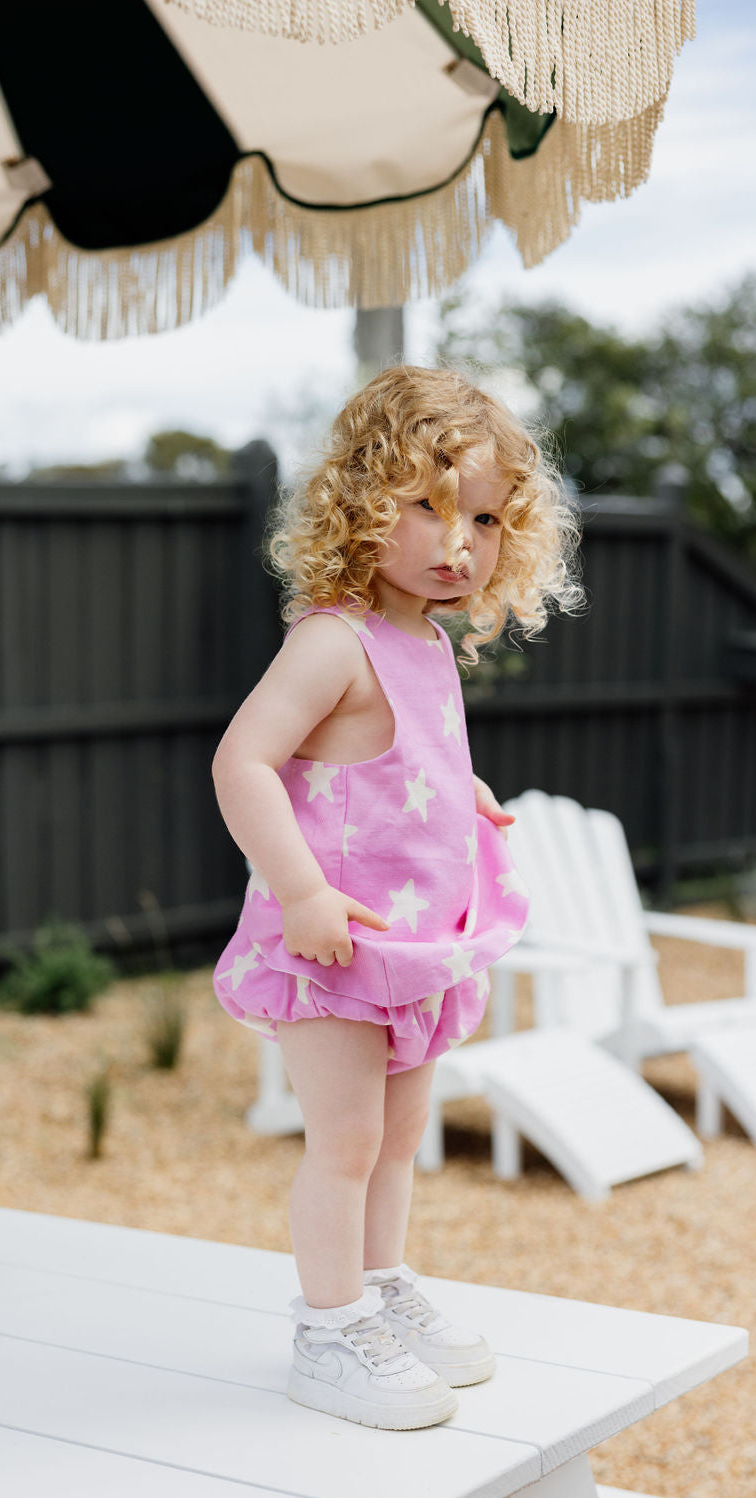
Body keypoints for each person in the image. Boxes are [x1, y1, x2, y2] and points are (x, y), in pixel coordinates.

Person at [211, 364, 582, 1431]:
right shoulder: (332, 639)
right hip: (332, 948)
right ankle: (326, 1332)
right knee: (342, 1141)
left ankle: (377, 1287)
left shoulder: (425, 641)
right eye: (423, 504)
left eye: (478, 516)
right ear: (360, 503)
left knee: (399, 1132)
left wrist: (451, 789)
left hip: (414, 947)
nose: (452, 539)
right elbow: (243, 762)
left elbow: (386, 760)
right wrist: (301, 892)